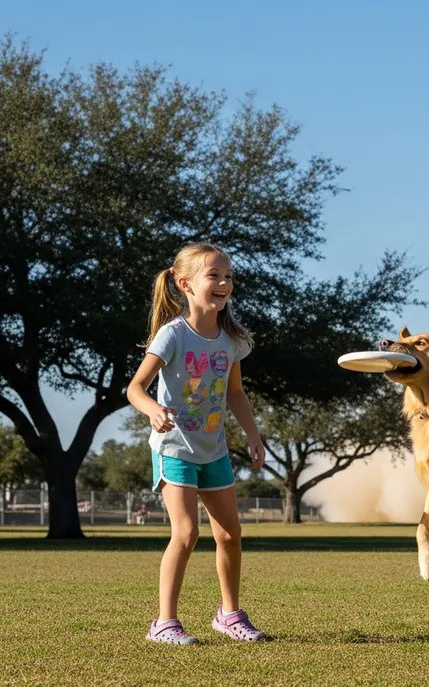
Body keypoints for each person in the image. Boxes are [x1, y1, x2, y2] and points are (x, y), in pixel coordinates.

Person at [127, 242, 268, 645]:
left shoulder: (231, 339)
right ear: (185, 283)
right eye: (214, 276)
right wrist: (152, 408)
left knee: (230, 534)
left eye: (228, 276)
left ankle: (229, 615)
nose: (224, 282)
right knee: (186, 533)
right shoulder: (172, 335)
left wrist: (254, 436)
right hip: (174, 448)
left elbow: (236, 394)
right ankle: (164, 623)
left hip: (214, 450)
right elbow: (135, 388)